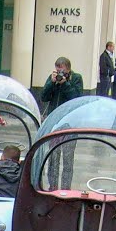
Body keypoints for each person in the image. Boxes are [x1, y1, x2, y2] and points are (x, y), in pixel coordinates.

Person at [42, 57, 83, 190]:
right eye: (57, 70)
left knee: (68, 158)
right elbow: (43, 97)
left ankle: (66, 188)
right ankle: (52, 186)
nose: (60, 73)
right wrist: (51, 83)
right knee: (53, 156)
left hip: (71, 124)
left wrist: (65, 84)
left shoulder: (76, 78)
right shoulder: (52, 78)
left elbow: (76, 98)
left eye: (62, 70)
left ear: (68, 69)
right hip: (55, 123)